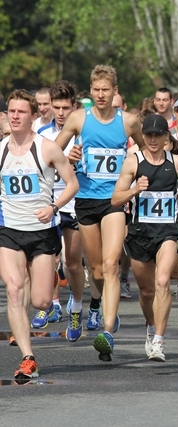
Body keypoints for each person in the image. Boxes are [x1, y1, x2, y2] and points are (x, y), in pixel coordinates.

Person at [55, 64, 144, 362]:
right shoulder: (78, 119)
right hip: (86, 200)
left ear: (115, 91)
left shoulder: (128, 122)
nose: (101, 94)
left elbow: (147, 153)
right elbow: (53, 154)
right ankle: (103, 304)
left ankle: (107, 330)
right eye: (96, 90)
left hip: (115, 201)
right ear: (91, 91)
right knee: (95, 269)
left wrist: (136, 172)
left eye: (106, 89)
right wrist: (69, 156)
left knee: (110, 263)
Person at [2, 89, 79, 382]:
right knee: (13, 288)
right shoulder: (1, 150)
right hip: (9, 231)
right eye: (12, 111)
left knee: (42, 302)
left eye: (22, 111)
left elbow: (72, 184)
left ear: (34, 116)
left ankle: (48, 276)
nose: (16, 116)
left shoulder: (47, 148)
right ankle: (28, 357)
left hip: (42, 232)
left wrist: (54, 206)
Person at [112, 114, 178, 361]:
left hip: (168, 232)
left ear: (165, 137)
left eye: (157, 135)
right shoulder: (133, 162)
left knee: (163, 281)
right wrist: (134, 189)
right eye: (148, 135)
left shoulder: (177, 162)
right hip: (140, 234)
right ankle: (151, 328)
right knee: (147, 292)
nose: (152, 140)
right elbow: (115, 199)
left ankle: (160, 341)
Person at [33, 81, 89, 342]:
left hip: (74, 204)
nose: (60, 112)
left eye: (65, 107)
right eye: (56, 107)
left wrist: (76, 162)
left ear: (74, 107)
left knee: (72, 263)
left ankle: (77, 306)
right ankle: (52, 305)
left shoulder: (82, 134)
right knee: (47, 259)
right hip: (49, 204)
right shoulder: (41, 132)